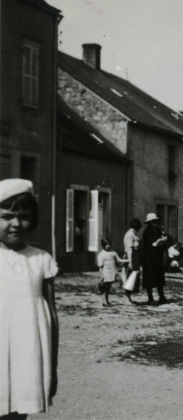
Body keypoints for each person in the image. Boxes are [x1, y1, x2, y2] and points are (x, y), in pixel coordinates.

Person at [0, 179, 59, 419]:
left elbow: (52, 315)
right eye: (6, 217)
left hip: (29, 353)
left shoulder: (41, 260)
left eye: (23, 216)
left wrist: (52, 367)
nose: (16, 224)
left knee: (19, 411)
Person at [141, 213, 169, 305]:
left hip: (157, 257)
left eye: (156, 221)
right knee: (150, 278)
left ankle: (161, 296)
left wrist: (163, 241)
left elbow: (161, 242)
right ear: (149, 222)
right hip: (149, 258)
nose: (155, 223)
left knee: (159, 278)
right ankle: (150, 298)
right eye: (153, 222)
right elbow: (153, 244)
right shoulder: (147, 232)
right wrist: (160, 241)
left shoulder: (157, 230)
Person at [121, 218, 142, 303]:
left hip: (134, 257)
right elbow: (129, 249)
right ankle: (127, 298)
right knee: (130, 277)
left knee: (133, 277)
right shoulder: (130, 235)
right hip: (131, 256)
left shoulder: (133, 234)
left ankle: (129, 298)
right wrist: (130, 262)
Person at [97, 239, 120, 307]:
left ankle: (106, 300)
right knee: (104, 287)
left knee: (108, 287)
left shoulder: (113, 252)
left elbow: (119, 260)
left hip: (111, 272)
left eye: (109, 244)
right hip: (105, 272)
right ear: (103, 246)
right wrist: (102, 275)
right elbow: (100, 266)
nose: (108, 246)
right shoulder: (101, 254)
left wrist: (128, 260)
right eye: (106, 245)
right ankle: (103, 301)